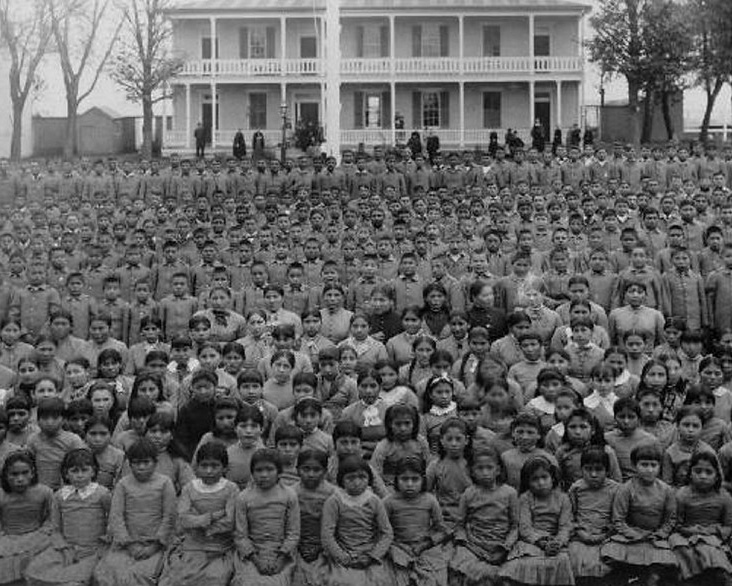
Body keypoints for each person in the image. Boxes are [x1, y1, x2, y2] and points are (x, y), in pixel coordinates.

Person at [94, 438, 177, 586]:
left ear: (155, 463)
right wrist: (129, 544)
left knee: (143, 574)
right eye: (136, 463)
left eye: (146, 462)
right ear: (129, 464)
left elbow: (169, 516)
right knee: (109, 571)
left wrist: (154, 546)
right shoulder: (123, 484)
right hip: (126, 543)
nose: (141, 467)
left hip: (156, 544)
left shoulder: (165, 483)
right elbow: (116, 516)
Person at [25, 449, 112, 586]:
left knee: (76, 581)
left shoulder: (102, 494)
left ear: (93, 471)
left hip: (93, 550)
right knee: (34, 570)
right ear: (66, 473)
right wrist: (64, 548)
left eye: (84, 470)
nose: (79, 475)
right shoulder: (60, 496)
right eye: (74, 471)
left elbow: (111, 521)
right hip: (66, 548)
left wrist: (104, 545)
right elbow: (55, 527)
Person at [159, 441, 238, 586]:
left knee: (215, 579)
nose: (209, 471)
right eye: (204, 466)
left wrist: (202, 525)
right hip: (192, 545)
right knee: (178, 579)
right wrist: (211, 517)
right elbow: (183, 519)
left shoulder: (231, 489)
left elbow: (230, 521)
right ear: (197, 467)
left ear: (225, 468)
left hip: (219, 547)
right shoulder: (189, 488)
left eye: (214, 466)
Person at [232, 448, 300, 586]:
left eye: (269, 470)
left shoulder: (289, 495)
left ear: (279, 472)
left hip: (282, 553)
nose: (264, 475)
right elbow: (240, 535)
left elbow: (293, 533)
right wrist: (256, 561)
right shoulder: (244, 497)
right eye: (259, 470)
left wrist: (281, 559)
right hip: (252, 554)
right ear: (252, 473)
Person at [321, 455, 393, 586]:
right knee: (340, 581)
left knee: (380, 581)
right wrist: (343, 557)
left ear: (369, 479)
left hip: (369, 552)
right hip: (344, 553)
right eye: (350, 478)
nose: (357, 482)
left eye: (362, 477)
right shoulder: (334, 502)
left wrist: (373, 556)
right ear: (341, 480)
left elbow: (387, 533)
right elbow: (327, 535)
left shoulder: (374, 501)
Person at [385, 455, 448, 586]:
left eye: (415, 479)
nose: (409, 484)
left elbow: (441, 530)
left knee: (434, 577)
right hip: (397, 547)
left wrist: (425, 544)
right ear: (396, 481)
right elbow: (382, 530)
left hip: (424, 547)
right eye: (404, 479)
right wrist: (396, 546)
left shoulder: (430, 500)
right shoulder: (389, 502)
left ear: (423, 480)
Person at [0, 451, 54, 584]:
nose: (20, 478)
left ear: (33, 473)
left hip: (37, 537)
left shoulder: (45, 492)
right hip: (7, 539)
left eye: (25, 472)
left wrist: (44, 532)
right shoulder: (1, 495)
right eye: (14, 474)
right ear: (5, 475)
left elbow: (52, 518)